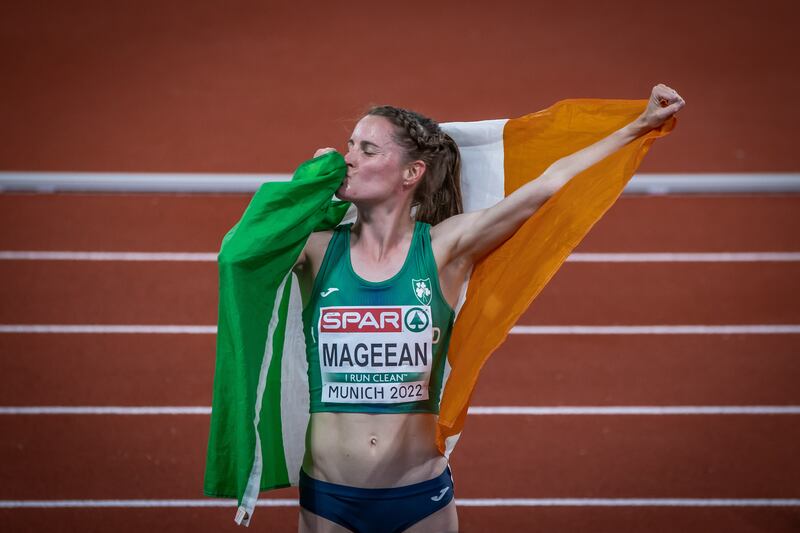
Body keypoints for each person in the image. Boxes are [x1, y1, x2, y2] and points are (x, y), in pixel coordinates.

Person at [291, 84, 686, 532]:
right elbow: (241, 250)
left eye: (366, 149)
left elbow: (549, 184)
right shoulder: (315, 251)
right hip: (328, 498)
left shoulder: (444, 248)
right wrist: (306, 187)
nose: (348, 159)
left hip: (420, 498)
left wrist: (638, 125)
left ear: (410, 173)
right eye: (348, 147)